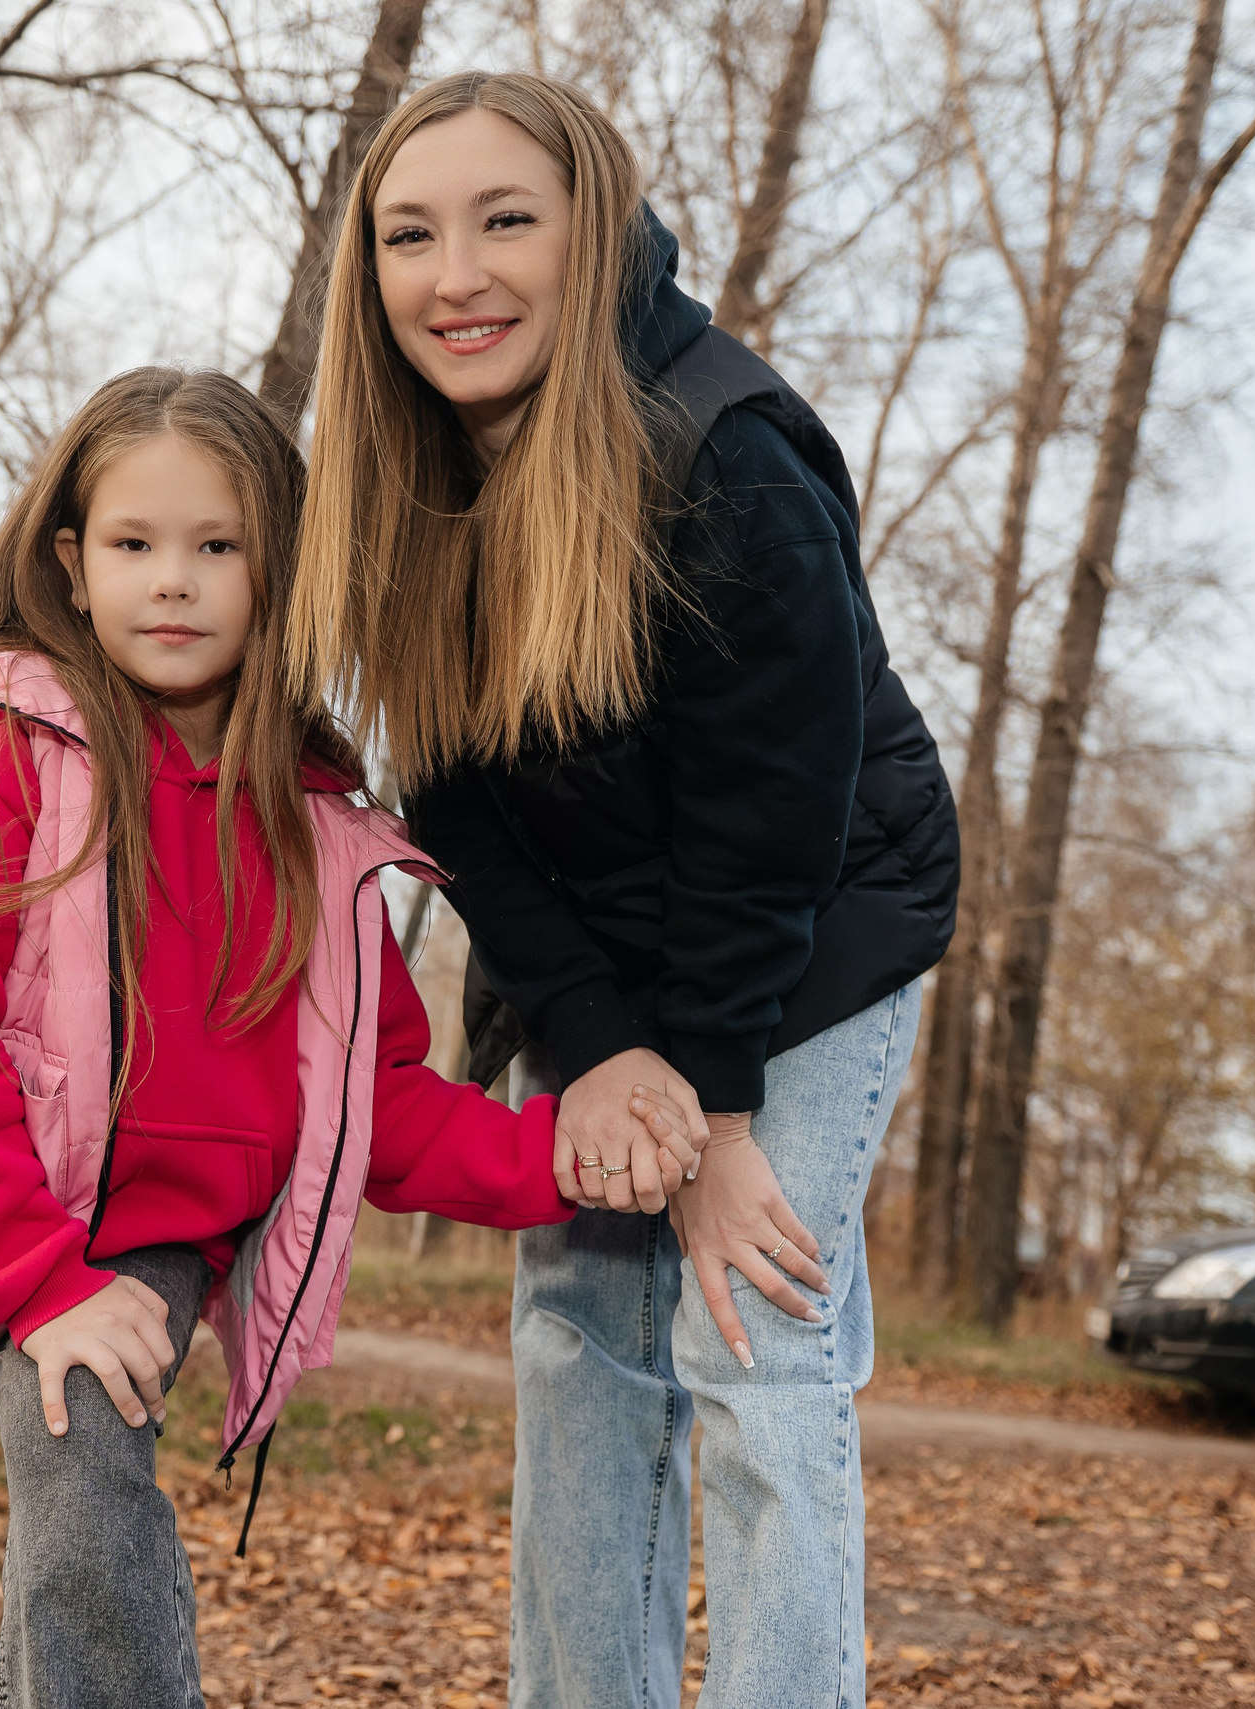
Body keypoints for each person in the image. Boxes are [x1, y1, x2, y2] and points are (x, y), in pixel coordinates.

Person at [0, 367, 684, 1709]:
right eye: (135, 544)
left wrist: (570, 1158)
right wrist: (32, 1271)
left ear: (278, 570)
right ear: (73, 563)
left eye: (217, 546)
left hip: (140, 1238)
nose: (172, 581)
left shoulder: (314, 829)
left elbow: (380, 1102)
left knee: (82, 1476)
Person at [286, 72, 959, 1709]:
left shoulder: (729, 464)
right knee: (579, 1337)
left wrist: (714, 1109)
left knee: (753, 1334)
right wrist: (594, 1039)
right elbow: (455, 797)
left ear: (590, 234)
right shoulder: (400, 479)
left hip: (809, 938)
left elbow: (768, 821)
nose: (460, 275)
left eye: (507, 220)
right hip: (595, 952)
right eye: (411, 235)